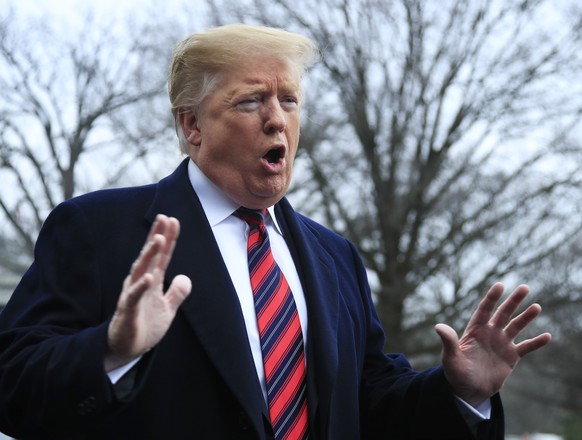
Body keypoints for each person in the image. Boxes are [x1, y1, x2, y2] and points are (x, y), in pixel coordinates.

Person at [0, 24, 551, 440]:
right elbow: (12, 385)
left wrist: (459, 391)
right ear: (191, 124)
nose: (277, 119)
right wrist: (110, 350)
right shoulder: (100, 230)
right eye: (251, 100)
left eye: (289, 100)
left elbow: (373, 404)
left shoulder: (336, 258)